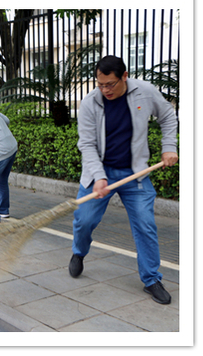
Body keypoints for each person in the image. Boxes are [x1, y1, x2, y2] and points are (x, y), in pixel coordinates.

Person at [70, 55, 178, 305]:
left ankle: (151, 279)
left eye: (110, 84)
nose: (105, 90)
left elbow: (167, 116)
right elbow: (86, 144)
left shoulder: (145, 92)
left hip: (135, 173)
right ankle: (79, 252)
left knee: (145, 224)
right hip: (99, 172)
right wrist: (99, 177)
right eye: (100, 84)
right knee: (84, 220)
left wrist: (169, 147)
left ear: (124, 77)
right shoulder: (90, 103)